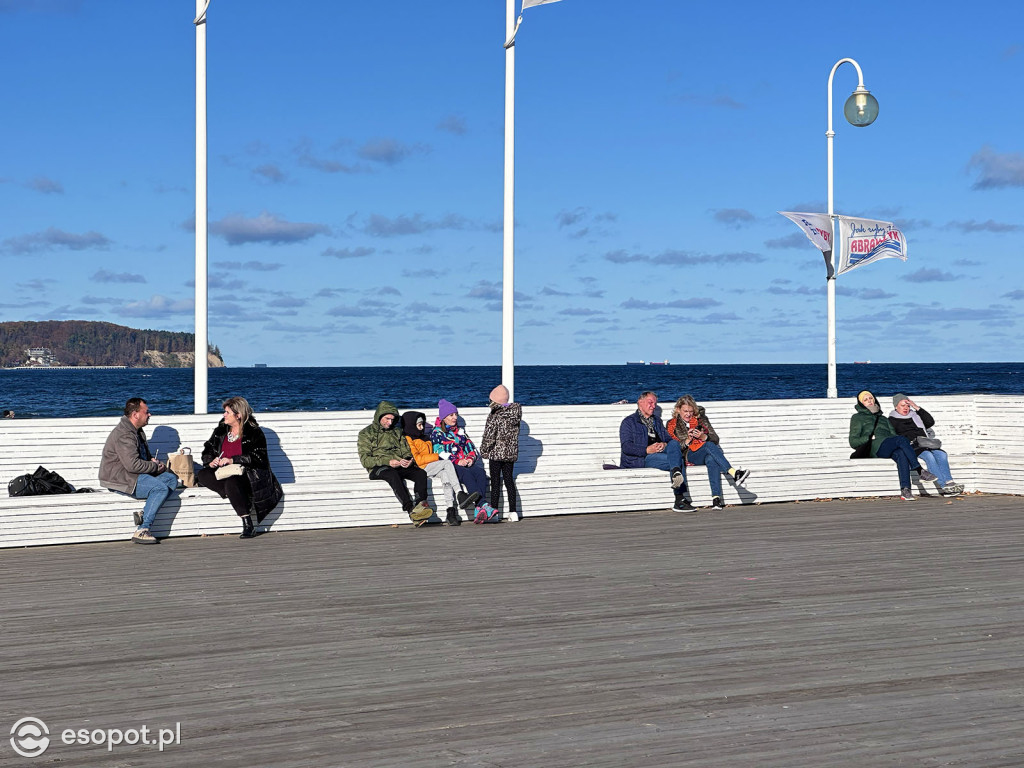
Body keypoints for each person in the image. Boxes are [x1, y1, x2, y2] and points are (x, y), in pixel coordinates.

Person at [196, 396, 284, 539]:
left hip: (248, 474)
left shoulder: (254, 432)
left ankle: (248, 523)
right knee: (203, 474)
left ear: (238, 415)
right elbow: (208, 448)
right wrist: (210, 461)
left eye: (227, 412)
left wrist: (233, 460)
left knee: (233, 482)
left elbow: (259, 458)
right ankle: (235, 494)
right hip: (224, 472)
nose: (224, 415)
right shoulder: (221, 430)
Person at [98, 397, 179, 544]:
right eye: (146, 412)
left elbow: (140, 461)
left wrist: (154, 464)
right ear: (135, 414)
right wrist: (153, 466)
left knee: (170, 479)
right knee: (159, 488)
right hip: (120, 478)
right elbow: (133, 465)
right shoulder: (125, 434)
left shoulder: (136, 431)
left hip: (133, 475)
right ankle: (143, 529)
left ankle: (146, 513)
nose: (149, 415)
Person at [666, 395, 751, 511]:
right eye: (685, 411)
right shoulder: (672, 424)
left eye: (691, 411)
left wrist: (703, 436)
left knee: (711, 458)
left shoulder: (701, 420)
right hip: (689, 454)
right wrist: (687, 441)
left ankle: (716, 499)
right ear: (678, 410)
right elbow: (673, 447)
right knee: (709, 446)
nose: (688, 414)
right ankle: (733, 472)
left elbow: (715, 438)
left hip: (703, 451)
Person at [850, 390, 936, 501]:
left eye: (871, 398)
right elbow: (853, 442)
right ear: (861, 403)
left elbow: (893, 435)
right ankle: (920, 471)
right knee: (901, 440)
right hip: (874, 447)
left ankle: (905, 490)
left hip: (888, 445)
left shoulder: (883, 418)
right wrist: (868, 438)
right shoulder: (857, 418)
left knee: (901, 453)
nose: (869, 401)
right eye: (865, 400)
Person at [359, 401, 434, 525]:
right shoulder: (366, 433)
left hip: (399, 465)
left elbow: (406, 450)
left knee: (420, 473)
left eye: (392, 419)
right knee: (392, 475)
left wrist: (407, 460)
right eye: (387, 419)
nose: (390, 422)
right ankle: (411, 510)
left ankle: (421, 505)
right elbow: (365, 460)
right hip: (378, 468)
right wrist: (387, 461)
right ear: (379, 416)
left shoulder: (397, 431)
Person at [401, 410, 479, 526]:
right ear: (411, 425)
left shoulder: (425, 437)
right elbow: (418, 459)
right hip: (421, 468)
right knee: (447, 463)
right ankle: (460, 493)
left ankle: (450, 511)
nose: (422, 427)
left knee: (446, 475)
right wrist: (436, 456)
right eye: (419, 425)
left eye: (422, 424)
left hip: (432, 466)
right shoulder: (408, 439)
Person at [619, 391, 692, 512]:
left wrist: (664, 444)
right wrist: (647, 450)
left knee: (674, 443)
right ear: (640, 403)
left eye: (655, 404)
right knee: (678, 460)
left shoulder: (656, 421)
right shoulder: (629, 422)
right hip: (644, 458)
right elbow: (626, 447)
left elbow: (668, 439)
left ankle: (676, 472)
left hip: (660, 453)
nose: (653, 406)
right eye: (650, 403)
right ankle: (679, 498)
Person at [888, 393, 964, 495]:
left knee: (942, 454)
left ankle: (949, 482)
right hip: (912, 447)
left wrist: (916, 407)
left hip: (926, 443)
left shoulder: (915, 416)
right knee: (929, 456)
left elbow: (930, 421)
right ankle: (943, 486)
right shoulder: (892, 420)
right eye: (902, 405)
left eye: (908, 405)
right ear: (896, 406)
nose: (906, 408)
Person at [431, 399, 489, 502]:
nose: (455, 418)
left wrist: (470, 458)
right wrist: (457, 461)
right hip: (451, 465)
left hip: (465, 463)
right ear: (444, 418)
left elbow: (470, 447)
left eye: (456, 415)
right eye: (451, 415)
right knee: (466, 474)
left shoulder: (460, 432)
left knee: (480, 472)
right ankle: (481, 505)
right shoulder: (437, 433)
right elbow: (439, 452)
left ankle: (481, 506)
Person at [480, 384, 522, 520]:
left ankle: (494, 513)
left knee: (495, 483)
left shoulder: (494, 416)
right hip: (510, 454)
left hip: (496, 454)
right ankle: (513, 512)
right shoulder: (514, 415)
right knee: (509, 481)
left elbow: (489, 437)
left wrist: (484, 450)